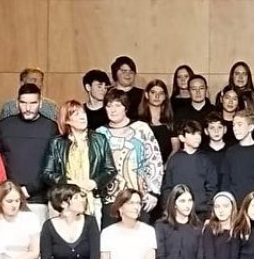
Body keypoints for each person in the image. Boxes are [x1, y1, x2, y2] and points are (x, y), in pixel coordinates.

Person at [42, 100, 116, 222]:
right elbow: (47, 173)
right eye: (76, 114)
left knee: (90, 237)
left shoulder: (99, 139)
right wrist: (68, 181)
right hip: (63, 199)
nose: (82, 117)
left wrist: (94, 183)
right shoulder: (56, 142)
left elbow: (110, 169)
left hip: (91, 198)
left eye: (83, 113)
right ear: (67, 120)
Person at [100, 88, 164, 223]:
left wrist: (153, 192)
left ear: (126, 108)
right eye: (109, 106)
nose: (113, 110)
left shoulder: (141, 129)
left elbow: (154, 160)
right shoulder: (100, 133)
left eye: (118, 105)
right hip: (110, 200)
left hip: (139, 199)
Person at [0, 83, 60, 212]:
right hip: (8, 197)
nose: (28, 108)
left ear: (40, 103)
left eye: (33, 103)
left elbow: (55, 165)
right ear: (17, 103)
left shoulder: (51, 128)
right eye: (23, 103)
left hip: (40, 199)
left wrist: (30, 189)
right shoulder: (4, 126)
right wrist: (11, 189)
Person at [40, 183, 101, 259]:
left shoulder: (90, 222)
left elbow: (95, 257)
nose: (82, 200)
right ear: (63, 203)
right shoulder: (48, 226)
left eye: (81, 196)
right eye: (76, 198)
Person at [0, 180, 42, 259]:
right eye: (9, 201)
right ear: (0, 202)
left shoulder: (30, 218)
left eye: (17, 201)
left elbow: (34, 252)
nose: (14, 205)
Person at [100, 188, 158, 259]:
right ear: (120, 207)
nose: (136, 207)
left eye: (138, 203)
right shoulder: (108, 233)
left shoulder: (148, 231)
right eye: (131, 203)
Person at [163, 120, 217, 218]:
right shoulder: (174, 160)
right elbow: (167, 188)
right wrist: (167, 211)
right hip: (177, 214)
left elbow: (212, 188)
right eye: (192, 134)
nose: (197, 137)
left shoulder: (206, 160)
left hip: (201, 214)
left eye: (199, 134)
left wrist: (209, 214)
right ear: (182, 137)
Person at [155, 185, 206, 259]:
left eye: (190, 200)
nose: (187, 205)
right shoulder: (161, 225)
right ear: (174, 204)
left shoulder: (198, 227)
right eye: (182, 201)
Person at [138, 79, 179, 164]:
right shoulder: (138, 121)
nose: (157, 96)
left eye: (161, 93)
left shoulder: (170, 120)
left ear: (165, 97)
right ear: (146, 95)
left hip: (166, 168)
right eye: (153, 92)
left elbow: (176, 148)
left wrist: (166, 165)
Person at [201, 191, 237, 259]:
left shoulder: (238, 229)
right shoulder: (209, 229)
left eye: (225, 206)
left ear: (232, 207)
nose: (221, 210)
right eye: (217, 206)